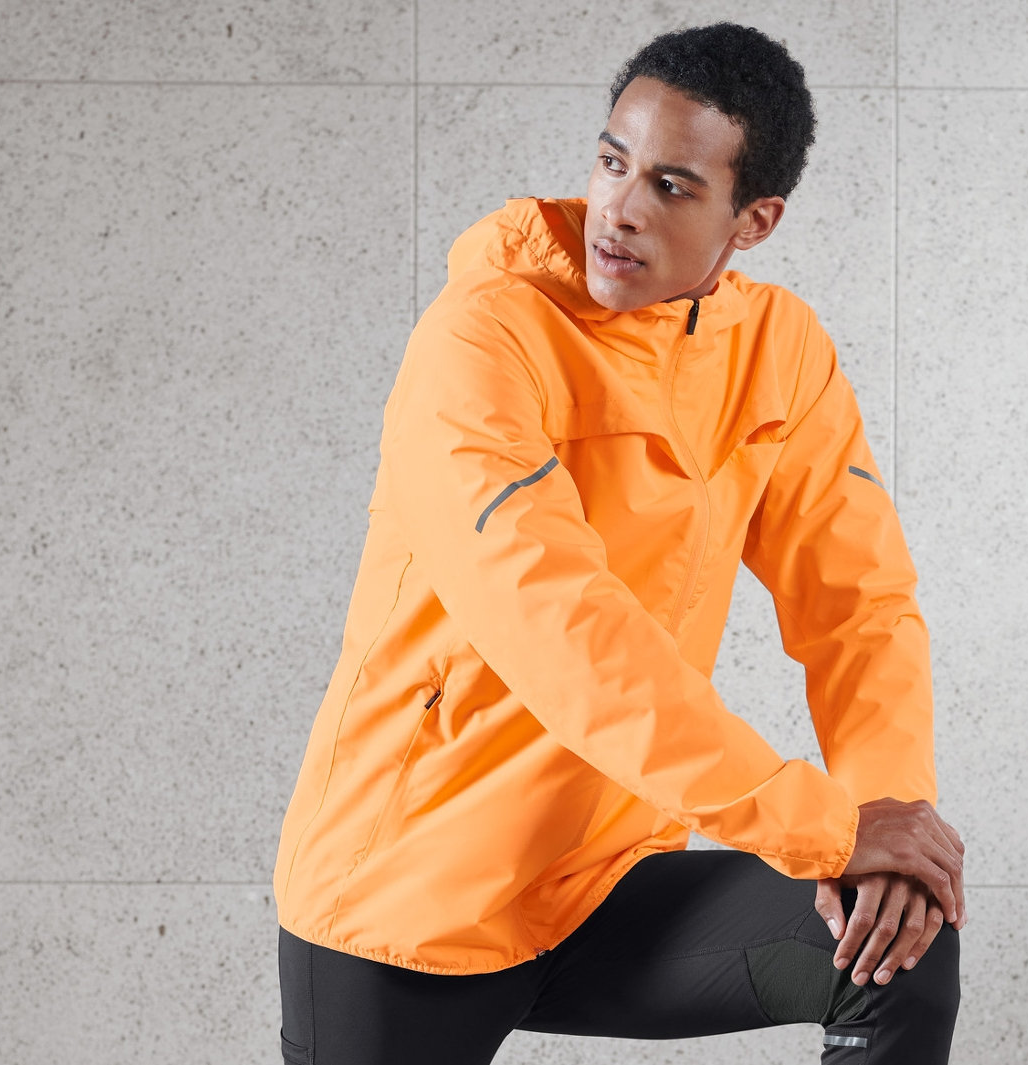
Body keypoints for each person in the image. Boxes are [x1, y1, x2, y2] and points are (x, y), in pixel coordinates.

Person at [274, 21, 965, 1065]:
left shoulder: (779, 352)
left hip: (600, 890)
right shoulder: (480, 340)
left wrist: (884, 815)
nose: (620, 209)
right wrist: (820, 829)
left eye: (673, 186)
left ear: (754, 219)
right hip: (408, 906)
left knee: (889, 945)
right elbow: (563, 628)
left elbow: (856, 603)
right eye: (611, 161)